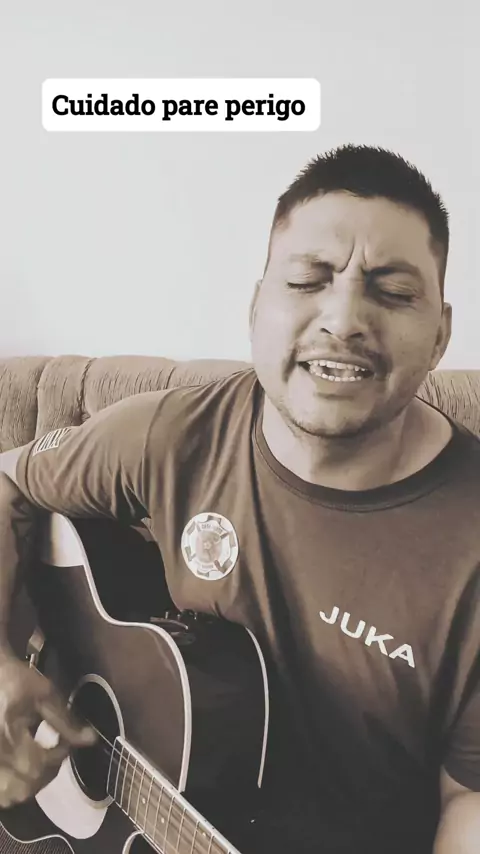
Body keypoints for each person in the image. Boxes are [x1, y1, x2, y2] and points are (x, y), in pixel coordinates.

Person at [0, 143, 479, 853]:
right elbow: (9, 481)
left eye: (393, 290)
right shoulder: (173, 434)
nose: (344, 319)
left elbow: (470, 798)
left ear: (440, 333)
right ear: (257, 307)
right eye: (309, 279)